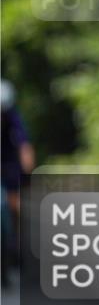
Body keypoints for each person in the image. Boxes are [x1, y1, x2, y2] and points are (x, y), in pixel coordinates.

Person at [1, 78, 34, 286]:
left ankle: (17, 249)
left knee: (15, 206)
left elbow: (24, 146)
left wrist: (28, 169)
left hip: (10, 168)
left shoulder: (13, 118)